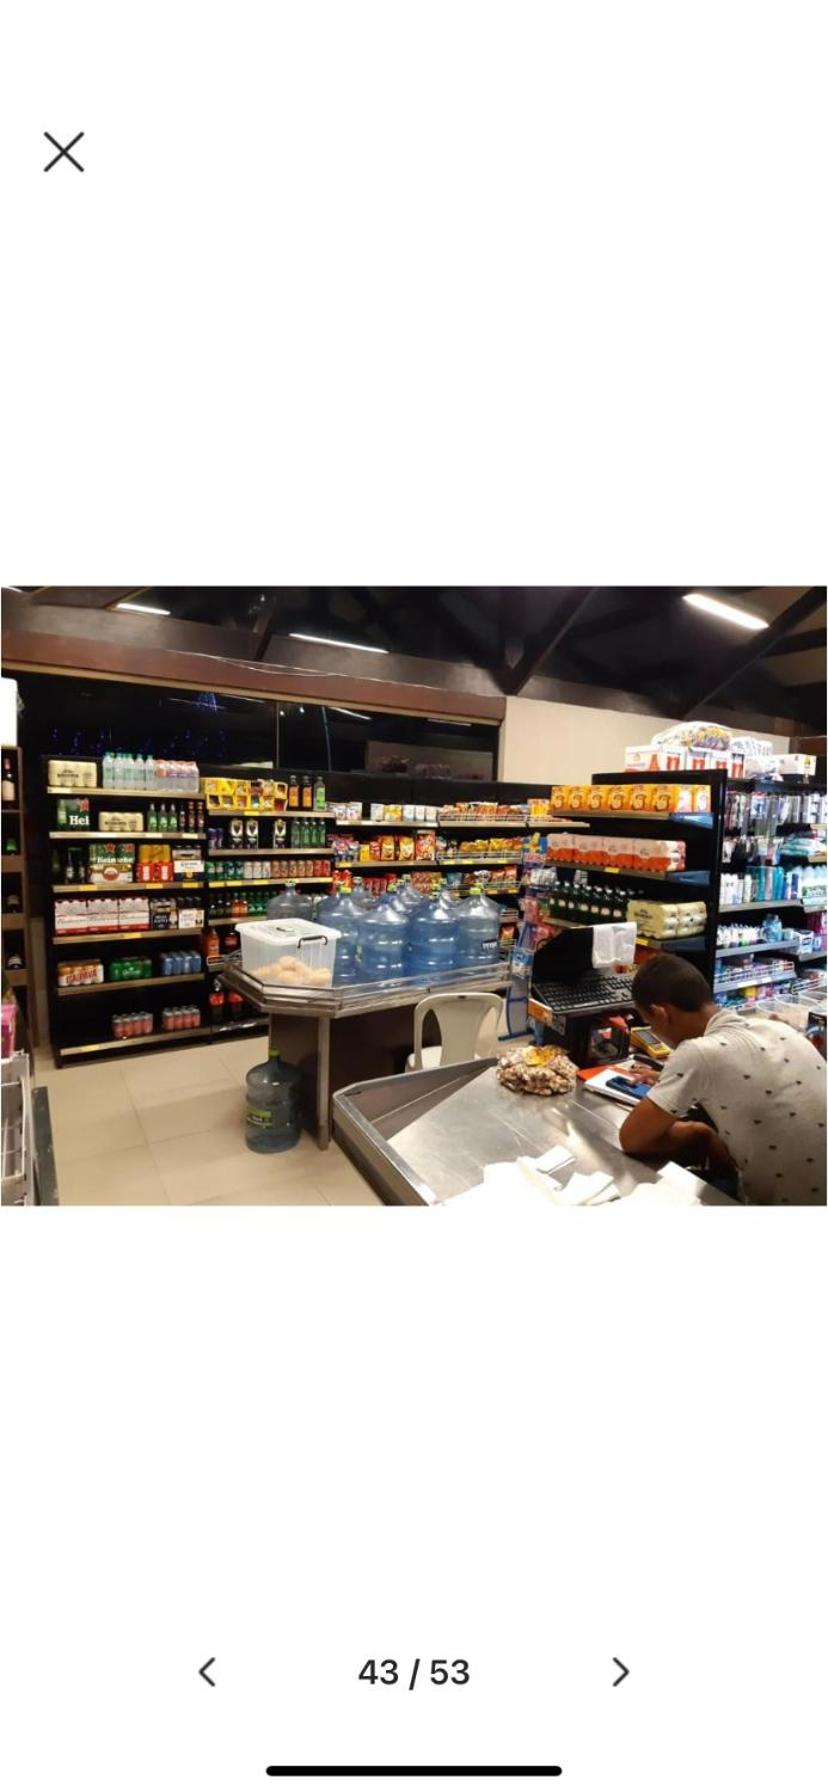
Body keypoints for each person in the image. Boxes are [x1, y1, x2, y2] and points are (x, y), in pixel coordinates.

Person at [618, 953, 826, 1204]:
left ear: (660, 1013)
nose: (653, 1031)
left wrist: (701, 1134)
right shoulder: (778, 1028)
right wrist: (668, 1078)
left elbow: (632, 1139)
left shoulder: (698, 1053)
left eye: (649, 1023)